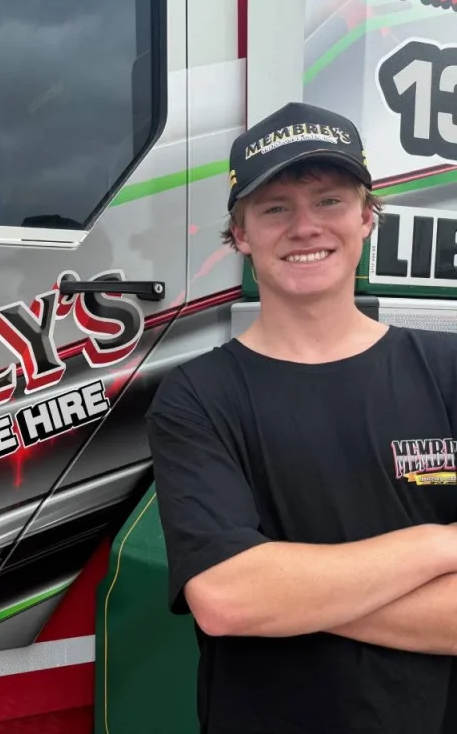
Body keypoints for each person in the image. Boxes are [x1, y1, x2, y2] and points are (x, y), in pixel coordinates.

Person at [145, 101, 457, 734]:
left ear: (368, 217)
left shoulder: (449, 369)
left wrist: (285, 595)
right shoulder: (196, 396)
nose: (305, 227)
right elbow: (227, 599)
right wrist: (440, 544)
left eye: (330, 201)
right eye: (275, 208)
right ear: (240, 234)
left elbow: (249, 595)